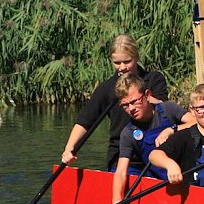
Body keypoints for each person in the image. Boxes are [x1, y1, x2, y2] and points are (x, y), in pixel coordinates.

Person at [61, 34, 168, 171]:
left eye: (127, 61)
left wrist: (140, 95)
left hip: (155, 150)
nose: (122, 67)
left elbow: (164, 108)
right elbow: (84, 121)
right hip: (122, 155)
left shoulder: (154, 79)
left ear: (136, 57)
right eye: (117, 63)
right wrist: (69, 149)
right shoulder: (106, 88)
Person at [111, 74, 196, 203]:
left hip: (186, 175)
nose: (131, 109)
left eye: (135, 101)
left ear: (147, 95)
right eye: (125, 105)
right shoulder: (128, 133)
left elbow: (197, 123)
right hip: (158, 185)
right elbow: (121, 171)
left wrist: (172, 129)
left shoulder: (168, 109)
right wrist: (117, 198)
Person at [149, 84, 204, 191]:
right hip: (196, 199)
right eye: (201, 108)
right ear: (192, 110)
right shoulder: (185, 136)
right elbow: (154, 155)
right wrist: (170, 165)